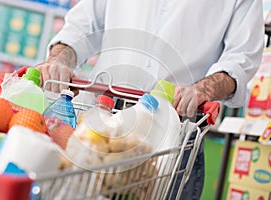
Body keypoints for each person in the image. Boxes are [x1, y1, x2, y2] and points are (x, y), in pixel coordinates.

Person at [36, 0, 264, 199]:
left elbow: (241, 58)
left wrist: (203, 89)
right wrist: (60, 59)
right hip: (100, 125)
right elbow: (82, 25)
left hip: (176, 133)